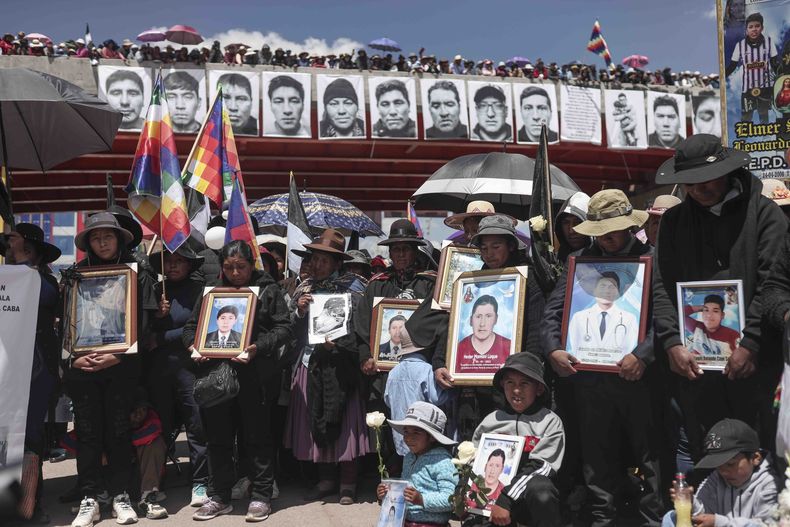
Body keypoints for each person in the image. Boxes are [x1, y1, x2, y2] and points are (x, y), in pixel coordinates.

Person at [652, 134, 787, 464]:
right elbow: (662, 287)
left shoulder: (766, 215)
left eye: (705, 180)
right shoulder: (673, 222)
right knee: (706, 453)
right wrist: (672, 343)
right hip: (696, 369)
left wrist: (751, 344)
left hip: (755, 367)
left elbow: (773, 285)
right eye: (689, 183)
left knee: (757, 453)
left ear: (726, 172)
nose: (698, 189)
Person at [542, 190, 664, 526]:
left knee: (650, 457)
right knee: (597, 460)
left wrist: (643, 355)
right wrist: (553, 349)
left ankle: (652, 520)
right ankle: (602, 519)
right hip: (591, 383)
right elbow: (553, 314)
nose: (607, 239)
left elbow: (666, 320)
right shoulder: (579, 261)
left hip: (638, 382)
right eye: (600, 233)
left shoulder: (652, 259)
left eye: (613, 231)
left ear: (628, 227)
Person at [183, 240, 291, 522]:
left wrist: (258, 347)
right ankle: (219, 496)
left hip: (254, 376)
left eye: (240, 267)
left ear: (251, 265)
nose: (235, 273)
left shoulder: (268, 289)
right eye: (229, 267)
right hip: (215, 378)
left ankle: (261, 495)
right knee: (217, 439)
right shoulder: (211, 293)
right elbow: (191, 328)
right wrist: (195, 348)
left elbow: (284, 328)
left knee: (256, 437)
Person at [66, 212, 157, 527]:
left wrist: (118, 357)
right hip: (83, 367)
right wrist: (71, 357)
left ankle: (120, 495)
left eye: (108, 236)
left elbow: (144, 325)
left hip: (121, 368)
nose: (102, 241)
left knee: (118, 432)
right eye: (95, 237)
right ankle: (89, 498)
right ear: (88, 242)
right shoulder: (75, 275)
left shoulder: (137, 274)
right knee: (88, 433)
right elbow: (66, 326)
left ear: (119, 239)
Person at [284, 229, 369, 505]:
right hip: (310, 363)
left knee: (344, 423)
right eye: (315, 259)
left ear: (336, 263)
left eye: (324, 260)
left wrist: (340, 345)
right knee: (316, 420)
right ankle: (326, 479)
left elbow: (361, 329)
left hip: (341, 365)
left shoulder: (354, 290)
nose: (317, 265)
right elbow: (287, 327)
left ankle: (348, 482)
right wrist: (298, 310)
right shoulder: (303, 289)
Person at [2, 223, 61, 524]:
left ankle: (27, 503)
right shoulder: (6, 279)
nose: (8, 246)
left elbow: (44, 299)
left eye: (14, 240)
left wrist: (22, 266)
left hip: (37, 364)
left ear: (30, 247)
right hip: (5, 363)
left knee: (28, 434)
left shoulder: (44, 281)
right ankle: (5, 500)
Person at [468, 353, 565, 527]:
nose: (516, 390)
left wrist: (505, 499)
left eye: (524, 384)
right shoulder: (491, 420)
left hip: (524, 502)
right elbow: (474, 461)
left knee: (541, 489)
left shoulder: (550, 421)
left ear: (539, 389)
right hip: (491, 500)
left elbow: (543, 466)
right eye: (510, 383)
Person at [147, 244, 209, 508]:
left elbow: (198, 328)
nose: (172, 266)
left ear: (189, 265)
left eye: (179, 261)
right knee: (160, 425)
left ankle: (200, 481)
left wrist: (162, 337)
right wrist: (156, 316)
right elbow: (140, 331)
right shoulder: (154, 290)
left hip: (189, 369)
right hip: (158, 370)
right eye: (168, 261)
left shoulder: (199, 291)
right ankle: (154, 480)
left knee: (196, 425)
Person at [661, 419, 777, 526]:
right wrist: (691, 503)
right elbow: (703, 513)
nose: (724, 472)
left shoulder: (769, 482)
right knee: (671, 517)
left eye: (730, 464)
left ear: (755, 458)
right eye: (718, 466)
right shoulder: (717, 477)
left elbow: (767, 524)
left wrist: (719, 523)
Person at [377, 401, 458, 527]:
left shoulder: (442, 462)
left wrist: (421, 499)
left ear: (431, 437)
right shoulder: (409, 457)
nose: (408, 438)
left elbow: (452, 499)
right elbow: (404, 490)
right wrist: (386, 494)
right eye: (406, 432)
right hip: (404, 521)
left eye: (416, 432)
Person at [384, 328, 449, 457]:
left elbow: (387, 400)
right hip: (422, 432)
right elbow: (437, 399)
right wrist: (452, 390)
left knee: (408, 464)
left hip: (402, 432)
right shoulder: (427, 370)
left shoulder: (393, 372)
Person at [566, 272, 639, 358]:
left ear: (618, 292)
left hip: (617, 369)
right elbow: (575, 347)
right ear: (594, 290)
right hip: (585, 368)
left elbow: (628, 348)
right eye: (602, 286)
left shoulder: (630, 319)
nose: (607, 291)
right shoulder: (578, 317)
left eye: (612, 287)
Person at [725, 12, 778, 123]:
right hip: (748, 90)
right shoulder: (740, 45)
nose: (754, 29)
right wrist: (721, 77)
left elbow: (775, 63)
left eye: (757, 26)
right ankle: (743, 140)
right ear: (746, 30)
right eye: (751, 27)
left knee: (764, 116)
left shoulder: (769, 42)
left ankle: (766, 138)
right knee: (746, 118)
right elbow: (732, 66)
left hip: (765, 88)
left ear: (762, 28)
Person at [128, 389, 168, 520]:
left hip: (142, 476)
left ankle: (148, 497)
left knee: (155, 443)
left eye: (143, 410)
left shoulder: (151, 419)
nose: (139, 415)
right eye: (135, 411)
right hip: (117, 476)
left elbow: (151, 432)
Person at [455, 295, 512, 374]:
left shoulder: (510, 347)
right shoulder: (457, 349)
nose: (482, 323)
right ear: (471, 320)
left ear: (496, 319)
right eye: (478, 316)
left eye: (488, 316)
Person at [554, 192, 592, 265]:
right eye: (566, 223)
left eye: (578, 222)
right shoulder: (555, 261)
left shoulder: (604, 259)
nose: (571, 231)